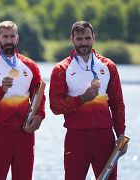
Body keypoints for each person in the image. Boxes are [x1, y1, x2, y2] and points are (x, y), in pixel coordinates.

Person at [49, 21, 127, 180]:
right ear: (72, 39)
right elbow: (55, 106)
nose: (84, 43)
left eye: (87, 38)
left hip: (104, 137)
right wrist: (82, 99)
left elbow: (117, 103)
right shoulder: (61, 69)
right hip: (76, 137)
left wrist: (120, 134)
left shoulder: (108, 66)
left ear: (93, 38)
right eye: (79, 39)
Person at [0, 20, 46, 180]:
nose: (8, 40)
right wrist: (1, 91)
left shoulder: (30, 66)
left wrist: (40, 115)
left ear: (17, 39)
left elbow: (39, 95)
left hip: (24, 133)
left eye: (12, 36)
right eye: (5, 36)